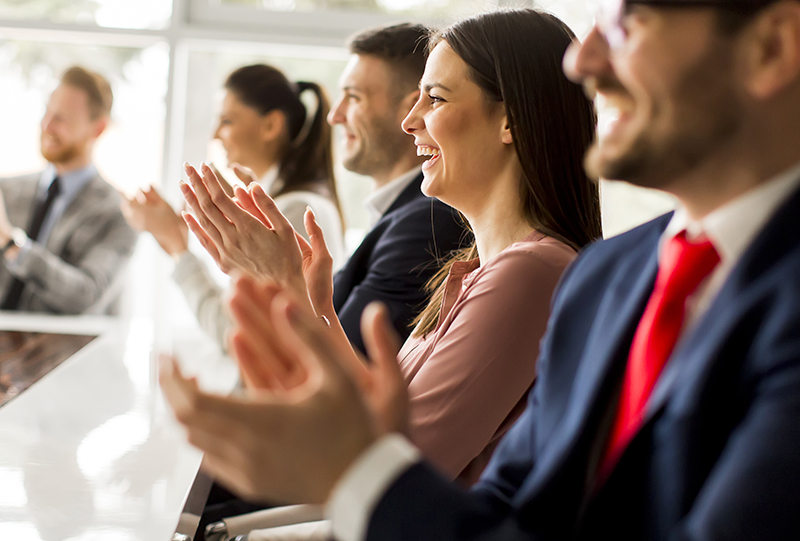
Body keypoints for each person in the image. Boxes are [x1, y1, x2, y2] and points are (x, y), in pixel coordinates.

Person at [162, 1, 800, 540]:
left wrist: (349, 449)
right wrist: (306, 305)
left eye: (630, 23)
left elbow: (407, 456)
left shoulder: (545, 272)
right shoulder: (608, 276)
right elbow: (502, 514)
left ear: (772, 47)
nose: (584, 63)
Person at [178, 24, 470, 354]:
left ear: (408, 111)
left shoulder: (425, 223)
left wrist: (271, 277)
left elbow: (344, 367)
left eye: (354, 97)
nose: (334, 115)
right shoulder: (400, 215)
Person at [121, 64, 345, 346]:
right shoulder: (298, 202)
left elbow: (235, 336)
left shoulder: (294, 211)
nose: (215, 135)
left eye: (227, 121)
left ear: (271, 125)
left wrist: (178, 247)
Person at [0, 66, 136, 314]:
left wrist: (12, 244)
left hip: (62, 350)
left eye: (61, 119)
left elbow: (87, 295)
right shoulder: (6, 191)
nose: (47, 125)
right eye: (47, 112)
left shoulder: (119, 213)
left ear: (98, 129)